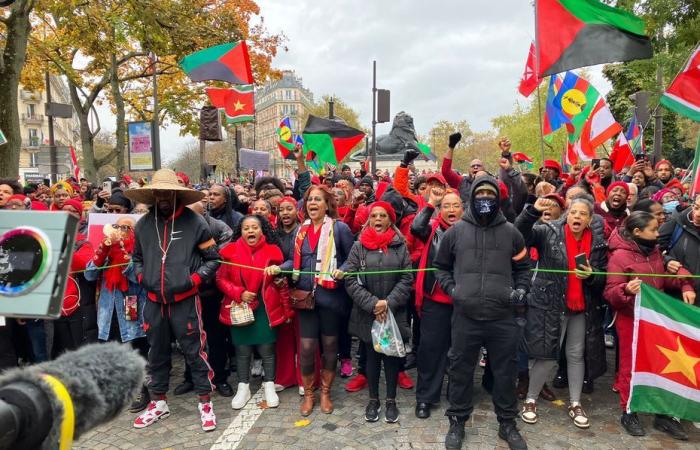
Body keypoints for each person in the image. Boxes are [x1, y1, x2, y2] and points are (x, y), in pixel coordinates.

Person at [433, 176, 531, 450]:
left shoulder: (511, 232)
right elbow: (440, 267)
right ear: (472, 198)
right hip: (466, 316)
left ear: (497, 198)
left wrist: (521, 289)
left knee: (505, 371)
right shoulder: (456, 232)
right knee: (461, 370)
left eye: (490, 193)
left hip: (503, 317)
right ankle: (457, 421)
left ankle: (507, 423)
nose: (485, 198)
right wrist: (454, 290)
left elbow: (524, 268)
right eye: (480, 193)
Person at [126, 169, 221, 432]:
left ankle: (204, 402)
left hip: (186, 300)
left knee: (194, 351)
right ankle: (158, 402)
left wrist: (194, 280)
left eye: (168, 192)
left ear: (177, 194)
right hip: (154, 301)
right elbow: (136, 258)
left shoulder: (195, 222)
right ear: (153, 194)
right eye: (159, 192)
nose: (163, 197)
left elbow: (213, 258)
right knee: (156, 352)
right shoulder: (144, 224)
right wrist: (142, 276)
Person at [515, 196, 607, 429]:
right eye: (573, 212)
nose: (577, 216)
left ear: (589, 219)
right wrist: (532, 211)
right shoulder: (549, 231)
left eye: (583, 214)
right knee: (547, 354)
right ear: (567, 214)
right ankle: (530, 399)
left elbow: (604, 275)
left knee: (576, 354)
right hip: (550, 304)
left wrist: (593, 275)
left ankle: (575, 403)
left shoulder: (597, 241)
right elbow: (520, 235)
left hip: (580, 307)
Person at [605, 211, 695, 439]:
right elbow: (610, 293)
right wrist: (625, 290)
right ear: (637, 232)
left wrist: (684, 284)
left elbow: (663, 279)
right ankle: (629, 411)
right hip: (630, 320)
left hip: (655, 320)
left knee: (662, 364)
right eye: (654, 230)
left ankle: (662, 415)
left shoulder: (654, 251)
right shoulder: (619, 257)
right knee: (630, 367)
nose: (658, 233)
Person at [269, 185, 354, 416]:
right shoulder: (301, 231)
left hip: (330, 298)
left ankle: (325, 392)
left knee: (329, 347)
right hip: (305, 299)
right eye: (309, 200)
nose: (313, 203)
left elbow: (352, 258)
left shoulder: (340, 229)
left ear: (328, 204)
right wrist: (280, 268)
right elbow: (292, 262)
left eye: (318, 199)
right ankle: (309, 394)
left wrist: (343, 269)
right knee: (307, 348)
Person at [344, 201, 413, 423]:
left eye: (383, 215)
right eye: (374, 215)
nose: (378, 220)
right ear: (368, 219)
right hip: (368, 312)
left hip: (393, 311)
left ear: (390, 220)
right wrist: (374, 304)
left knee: (391, 357)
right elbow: (351, 279)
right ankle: (373, 399)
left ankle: (391, 399)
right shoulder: (359, 246)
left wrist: (388, 303)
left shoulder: (400, 245)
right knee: (371, 356)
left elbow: (406, 278)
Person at [217, 215, 292, 410]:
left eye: (255, 227)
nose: (250, 231)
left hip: (265, 308)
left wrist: (278, 278)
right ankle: (244, 386)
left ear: (262, 230)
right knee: (242, 350)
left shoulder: (273, 253)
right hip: (240, 306)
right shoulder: (229, 252)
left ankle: (269, 385)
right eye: (246, 228)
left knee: (267, 350)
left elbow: (281, 281)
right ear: (240, 231)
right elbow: (220, 280)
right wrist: (239, 293)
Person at [86, 216, 150, 412]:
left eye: (126, 227)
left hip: (131, 310)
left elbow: (139, 279)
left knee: (135, 351)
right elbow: (89, 275)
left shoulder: (140, 253)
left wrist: (124, 258)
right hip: (108, 312)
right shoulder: (106, 249)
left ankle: (142, 390)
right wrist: (103, 251)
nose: (121, 230)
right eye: (117, 226)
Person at [410, 189, 463, 419]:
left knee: (460, 352)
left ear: (463, 209)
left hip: (463, 301)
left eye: (455, 205)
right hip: (435, 300)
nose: (451, 210)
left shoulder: (471, 231)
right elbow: (415, 227)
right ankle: (426, 397)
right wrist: (431, 203)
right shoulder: (431, 229)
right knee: (431, 351)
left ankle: (457, 394)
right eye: (446, 206)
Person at [660, 194, 700, 296]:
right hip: (677, 297)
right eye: (696, 207)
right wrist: (667, 261)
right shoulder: (676, 223)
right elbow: (650, 250)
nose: (698, 214)